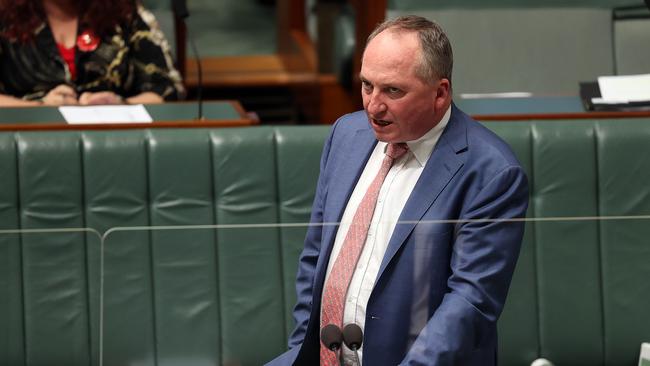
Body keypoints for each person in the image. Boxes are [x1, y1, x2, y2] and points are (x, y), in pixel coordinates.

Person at [266, 15, 529, 366]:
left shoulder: (492, 172)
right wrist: (304, 348)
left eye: (393, 90)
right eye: (367, 85)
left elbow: (470, 302)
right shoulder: (346, 135)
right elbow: (316, 257)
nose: (373, 106)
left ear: (440, 93)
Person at [0, 0, 184, 107]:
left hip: (112, 142)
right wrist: (40, 107)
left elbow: (168, 88)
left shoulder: (125, 13)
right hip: (24, 145)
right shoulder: (5, 16)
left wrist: (119, 105)